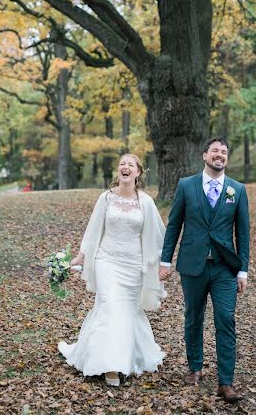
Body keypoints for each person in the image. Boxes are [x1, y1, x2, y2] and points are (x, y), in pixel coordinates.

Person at [58, 153, 166, 387]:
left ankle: (128, 356)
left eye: (130, 165)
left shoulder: (145, 202)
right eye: (122, 164)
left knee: (128, 310)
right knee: (110, 306)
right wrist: (79, 257)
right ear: (118, 171)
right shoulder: (105, 199)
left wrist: (158, 265)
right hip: (106, 261)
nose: (125, 167)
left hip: (133, 266)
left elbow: (157, 237)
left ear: (138, 173)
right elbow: (92, 230)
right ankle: (110, 365)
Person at [159, 137, 249, 404]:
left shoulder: (237, 189)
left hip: (224, 268)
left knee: (225, 319)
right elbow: (174, 224)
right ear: (204, 155)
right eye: (215, 151)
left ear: (227, 158)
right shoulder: (186, 185)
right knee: (193, 316)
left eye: (223, 152)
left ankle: (226, 382)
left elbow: (243, 233)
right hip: (192, 264)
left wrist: (243, 270)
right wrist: (166, 260)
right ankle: (195, 367)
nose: (219, 155)